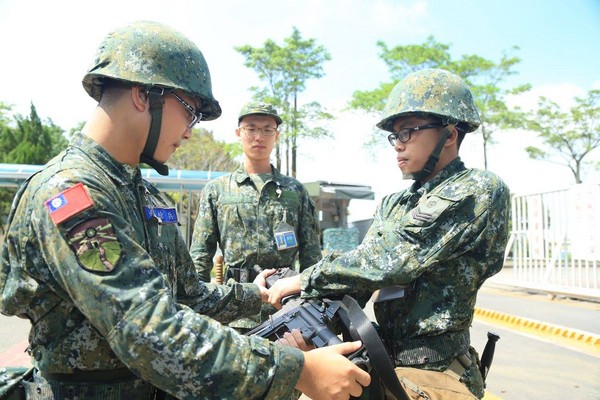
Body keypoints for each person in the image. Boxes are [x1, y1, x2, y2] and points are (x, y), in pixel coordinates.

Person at [0, 21, 369, 400]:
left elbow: (187, 296)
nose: (191, 130)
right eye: (190, 112)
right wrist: (297, 369)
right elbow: (147, 328)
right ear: (145, 96)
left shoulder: (141, 194)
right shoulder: (71, 192)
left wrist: (254, 295)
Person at [268, 68, 511, 399]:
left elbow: (392, 260)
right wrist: (308, 324)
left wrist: (304, 279)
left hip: (437, 373)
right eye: (394, 136)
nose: (397, 145)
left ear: (450, 134)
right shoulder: (395, 203)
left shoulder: (477, 189)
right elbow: (360, 280)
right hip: (382, 363)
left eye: (408, 132)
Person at [189, 101, 322, 332]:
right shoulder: (217, 190)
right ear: (238, 133)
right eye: (251, 128)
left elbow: (312, 258)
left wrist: (314, 306)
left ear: (276, 135)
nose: (258, 136)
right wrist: (193, 309)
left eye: (267, 129)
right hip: (233, 308)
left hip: (285, 309)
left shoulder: (295, 192)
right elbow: (200, 256)